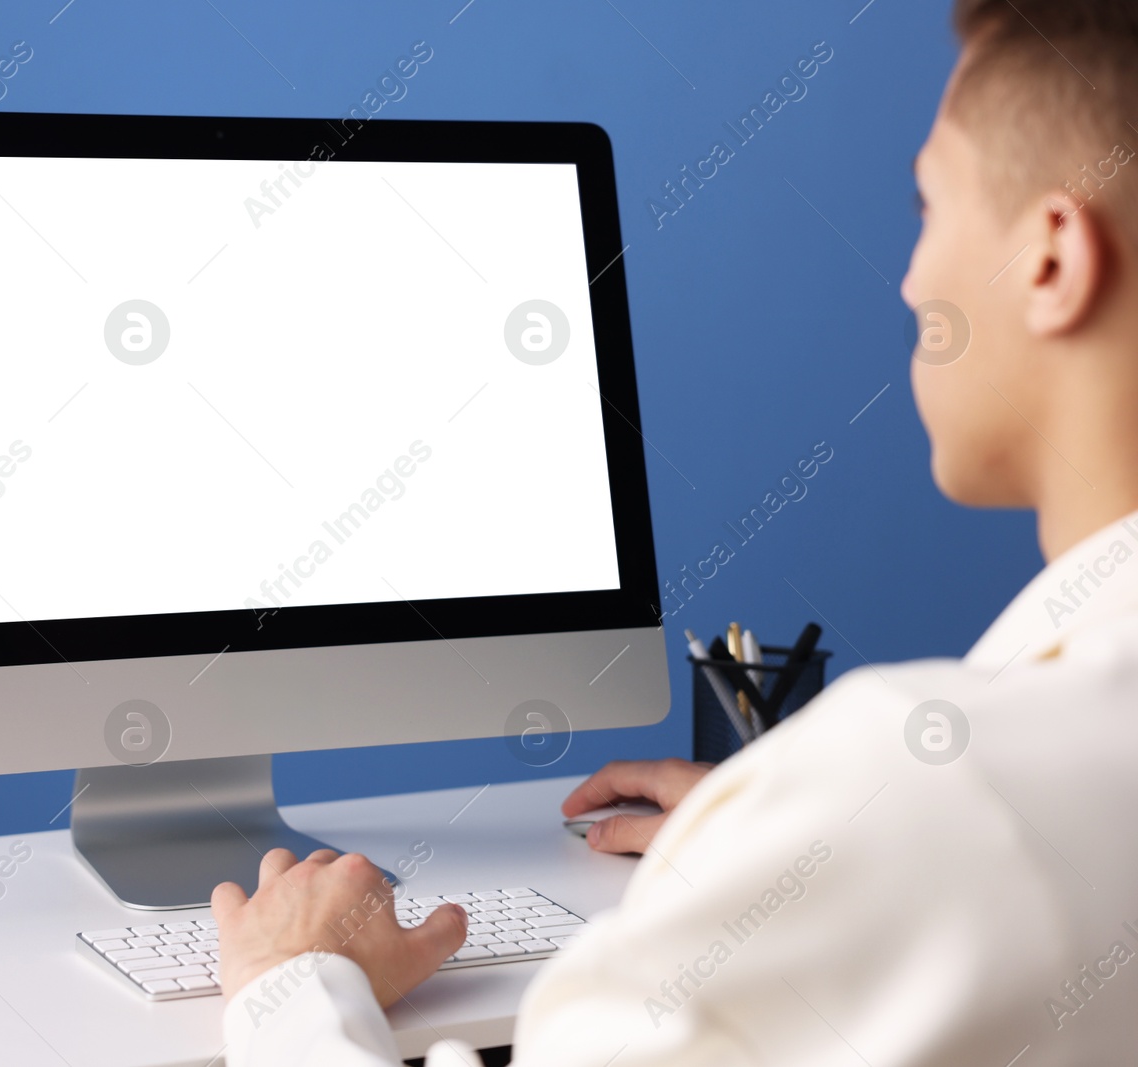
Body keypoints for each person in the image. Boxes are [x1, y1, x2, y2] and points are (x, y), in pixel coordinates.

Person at [209, 1, 1138, 1063]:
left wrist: (289, 991)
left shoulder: (926, 788)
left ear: (1050, 261)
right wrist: (783, 835)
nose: (910, 279)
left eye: (928, 206)